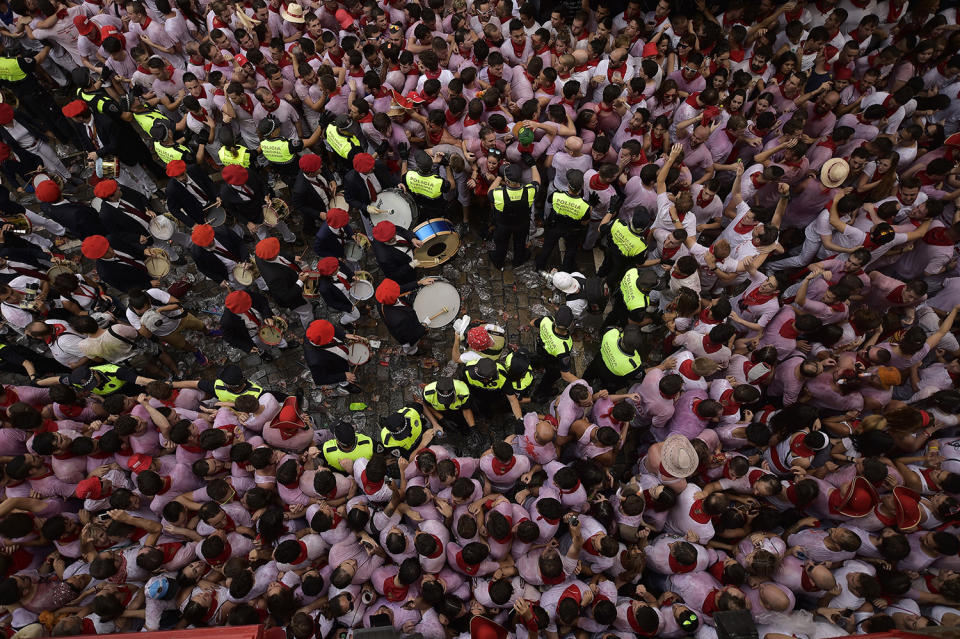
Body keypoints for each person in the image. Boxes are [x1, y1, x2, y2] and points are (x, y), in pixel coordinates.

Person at [488, 163, 540, 270]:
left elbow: (490, 192)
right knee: (520, 243)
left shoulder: (499, 194)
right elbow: (537, 181)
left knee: (501, 244)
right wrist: (533, 165)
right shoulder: (529, 191)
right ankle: (518, 261)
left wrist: (499, 176)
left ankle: (498, 262)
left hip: (503, 225)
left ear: (506, 181)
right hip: (521, 224)